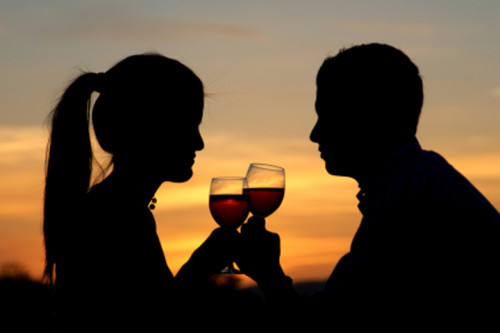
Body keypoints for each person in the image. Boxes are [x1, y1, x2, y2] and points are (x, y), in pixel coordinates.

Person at [236, 43, 500, 330]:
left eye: (326, 115)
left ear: (368, 114)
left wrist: (270, 279)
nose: (314, 134)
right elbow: (340, 312)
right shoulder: (414, 182)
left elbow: (330, 332)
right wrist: (271, 276)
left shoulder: (410, 199)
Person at [43, 53, 238, 332]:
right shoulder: (116, 217)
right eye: (188, 126)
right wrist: (199, 267)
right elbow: (150, 324)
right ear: (151, 128)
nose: (199, 143)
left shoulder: (114, 207)